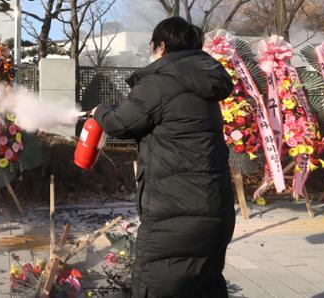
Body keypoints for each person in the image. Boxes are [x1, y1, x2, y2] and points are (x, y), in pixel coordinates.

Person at [91, 17, 236, 297]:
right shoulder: (205, 84)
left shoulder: (160, 82)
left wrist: (99, 111)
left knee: (155, 286)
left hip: (175, 217)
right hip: (217, 213)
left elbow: (120, 124)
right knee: (204, 287)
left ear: (161, 46)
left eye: (152, 46)